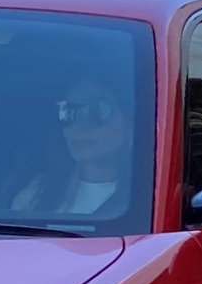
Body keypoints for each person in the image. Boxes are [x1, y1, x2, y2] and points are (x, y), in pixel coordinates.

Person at [14, 75, 134, 221]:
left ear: (129, 123)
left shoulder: (150, 199)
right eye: (67, 112)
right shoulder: (36, 192)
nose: (79, 125)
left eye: (97, 110)